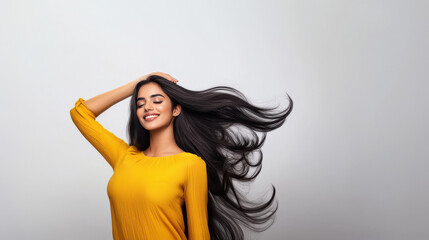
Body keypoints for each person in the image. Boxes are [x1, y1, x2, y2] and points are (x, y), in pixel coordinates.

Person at [69, 72, 293, 240]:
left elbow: (199, 235)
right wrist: (136, 84)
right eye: (140, 103)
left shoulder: (190, 164)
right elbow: (80, 114)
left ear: (176, 109)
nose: (148, 107)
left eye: (157, 101)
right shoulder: (124, 156)